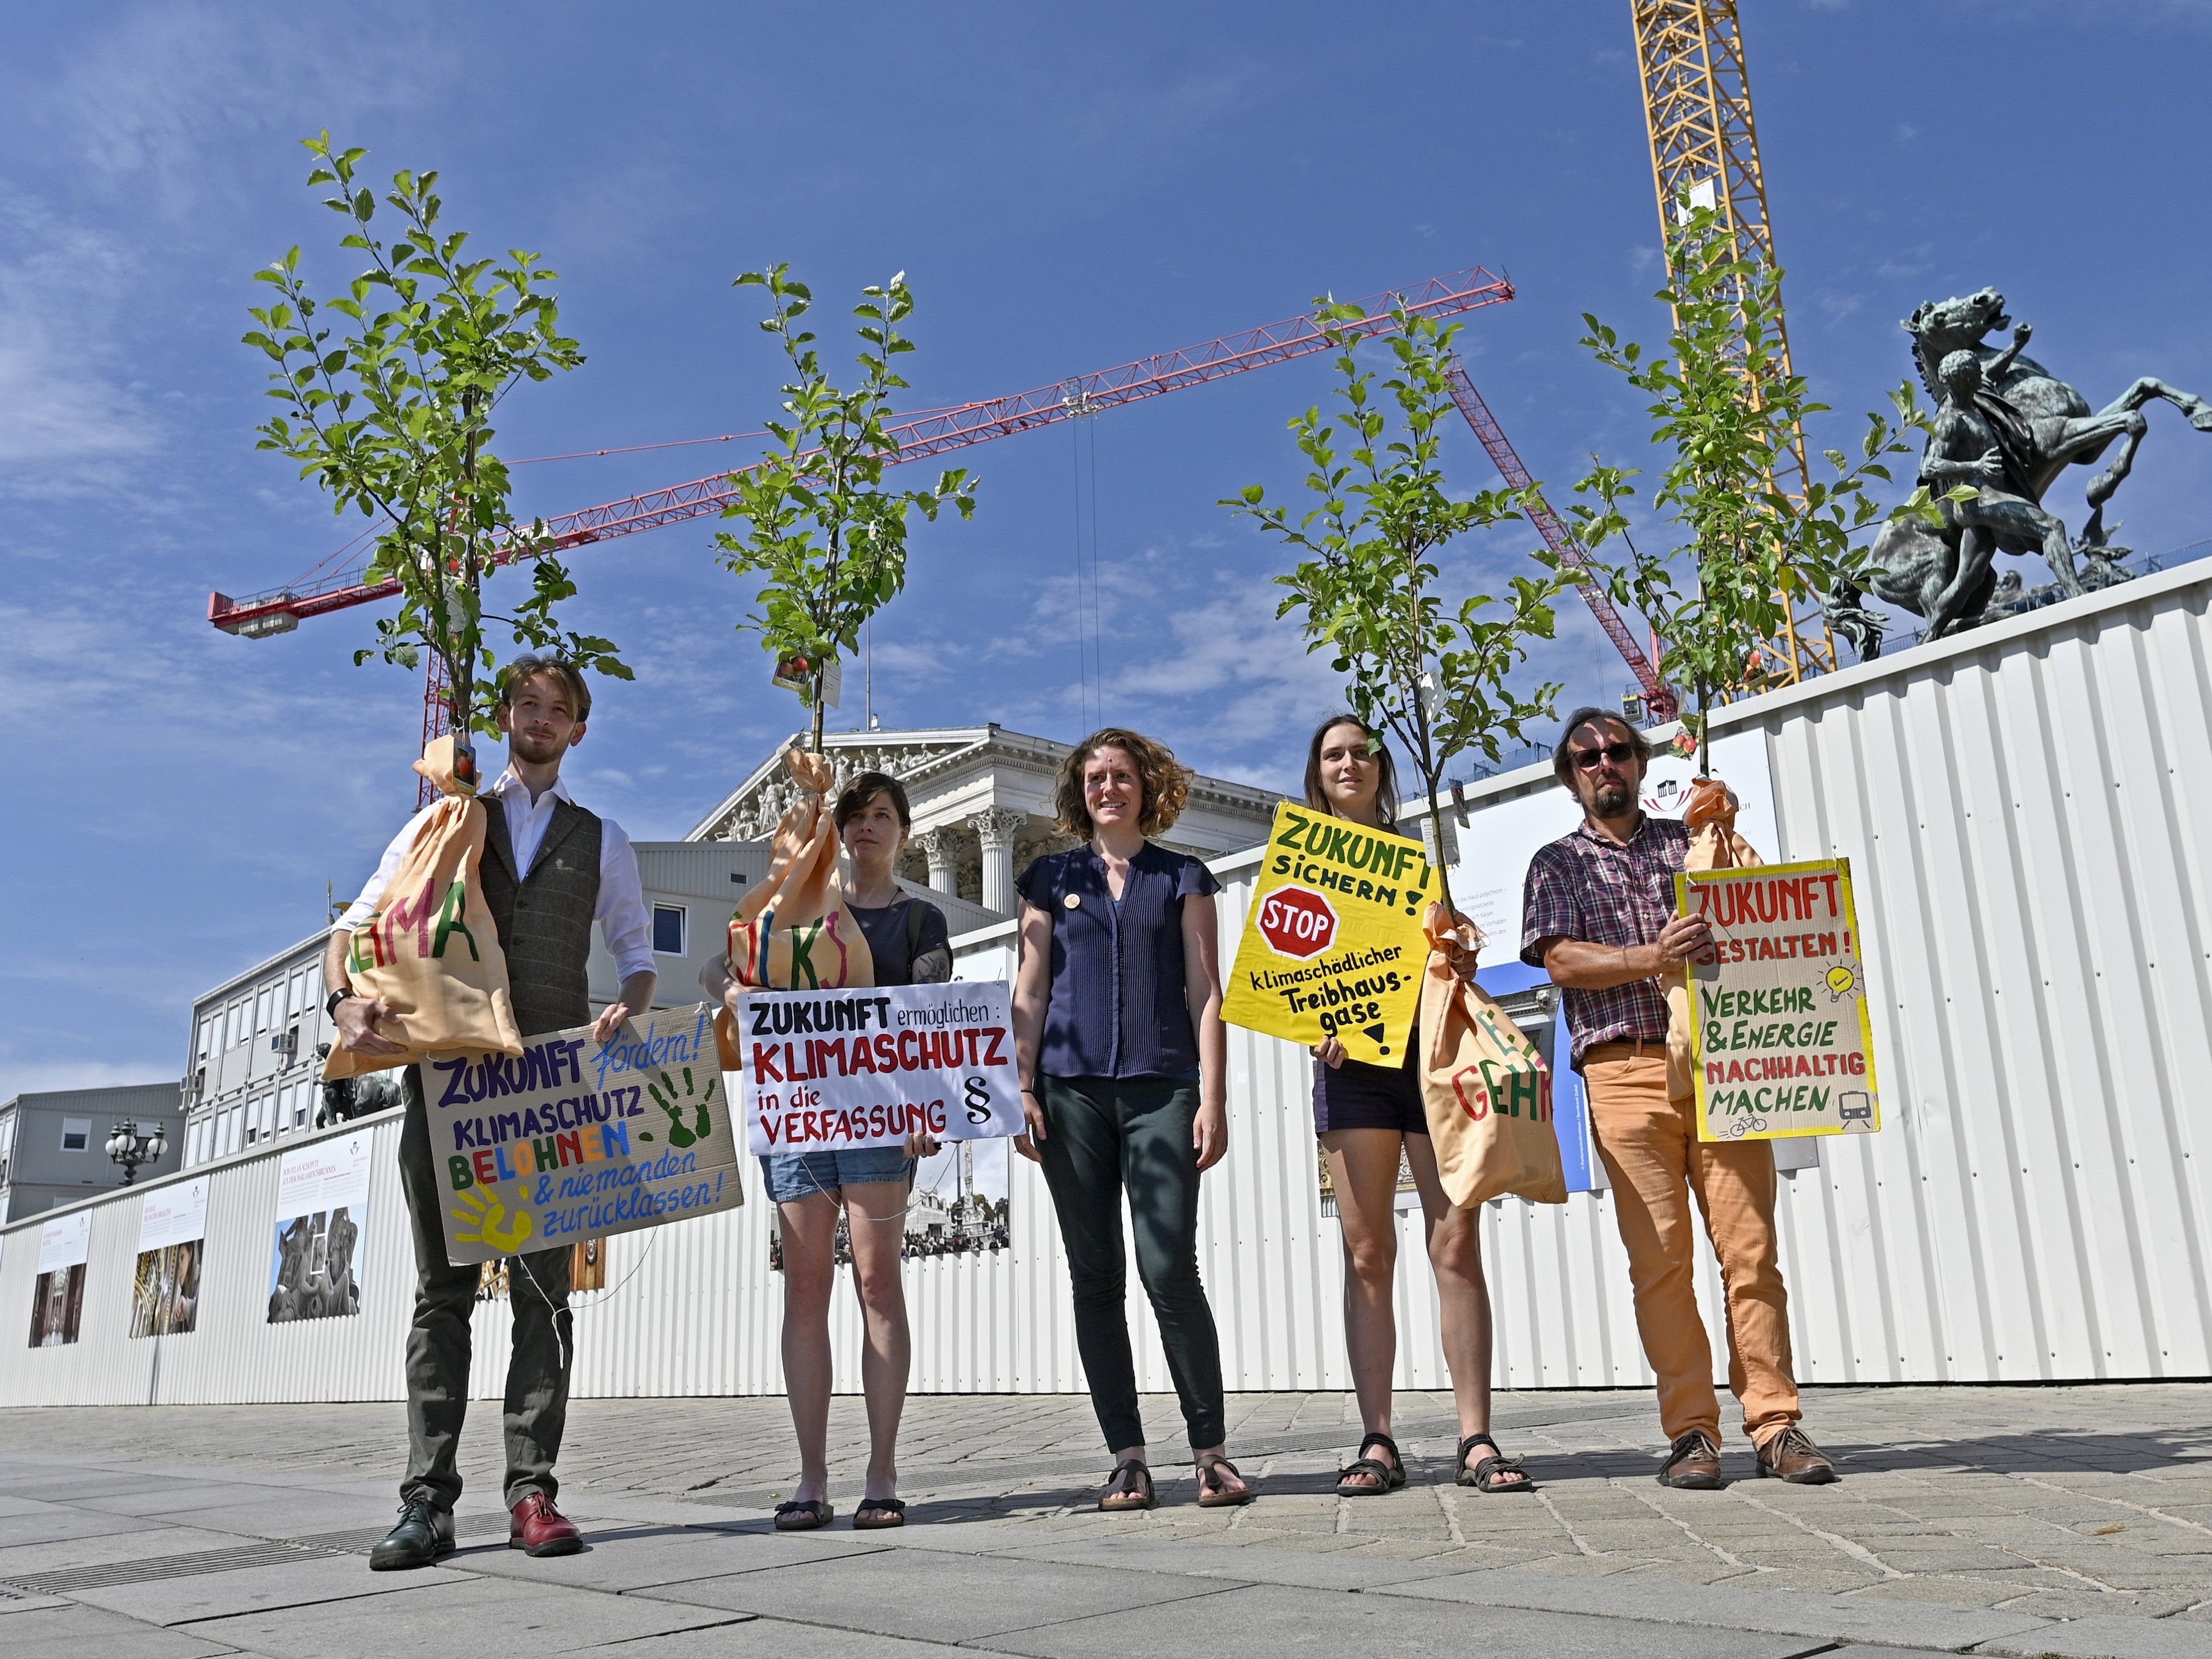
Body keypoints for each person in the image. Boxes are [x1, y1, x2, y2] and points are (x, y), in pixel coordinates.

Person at [327, 655, 656, 1569]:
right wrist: (343, 1002)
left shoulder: (604, 839)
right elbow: (354, 928)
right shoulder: (443, 818)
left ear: (579, 730)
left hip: (549, 1083)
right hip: (448, 1079)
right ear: (504, 716)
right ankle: (425, 1504)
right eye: (528, 705)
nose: (542, 719)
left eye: (559, 710)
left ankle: (533, 1494)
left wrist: (632, 995)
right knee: (443, 1293)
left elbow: (634, 946)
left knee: (546, 1297)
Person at [1521, 709, 1836, 1488]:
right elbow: (1559, 960)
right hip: (1621, 1073)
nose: (1604, 764)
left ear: (1638, 762)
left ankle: (1775, 1424)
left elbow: (1763, 914)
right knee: (1660, 1265)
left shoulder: (1684, 845)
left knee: (1750, 1252)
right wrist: (1647, 955)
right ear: (1569, 776)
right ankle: (1692, 1432)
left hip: (1719, 1063)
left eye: (1618, 751)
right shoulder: (1555, 863)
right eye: (1587, 756)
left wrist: (1724, 830)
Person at [703, 769, 950, 1532]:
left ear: (904, 831)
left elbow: (934, 1012)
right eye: (855, 816)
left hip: (881, 1118)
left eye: (882, 815)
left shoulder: (919, 922)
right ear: (835, 830)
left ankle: (881, 1469)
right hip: (799, 1113)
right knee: (804, 1287)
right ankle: (811, 1476)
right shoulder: (797, 904)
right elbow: (723, 962)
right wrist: (729, 993)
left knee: (878, 1282)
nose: (867, 827)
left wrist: (927, 1101)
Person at [1011, 728, 1251, 1511]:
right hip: (1069, 1093)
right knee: (1094, 1278)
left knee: (1168, 1269)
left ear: (1145, 785)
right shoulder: (1050, 876)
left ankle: (1210, 1451)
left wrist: (1212, 1096)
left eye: (1119, 776)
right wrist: (1019, 1082)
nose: (1106, 788)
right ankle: (1127, 1456)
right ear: (1078, 794)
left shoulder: (1182, 876)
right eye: (1093, 779)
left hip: (1162, 1089)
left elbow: (1206, 992)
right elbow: (1030, 986)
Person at [1303, 715, 1531, 1497]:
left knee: (1455, 1243)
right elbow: (1288, 975)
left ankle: (1475, 1436)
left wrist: (1459, 945)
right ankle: (1378, 1440)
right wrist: (1315, 1026)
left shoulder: (1417, 860)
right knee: (1367, 1256)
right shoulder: (1298, 865)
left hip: (1430, 1063)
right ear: (1315, 771)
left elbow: (1446, 958)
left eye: (1361, 753)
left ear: (1381, 768)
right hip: (1351, 1076)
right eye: (1333, 754)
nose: (1348, 765)